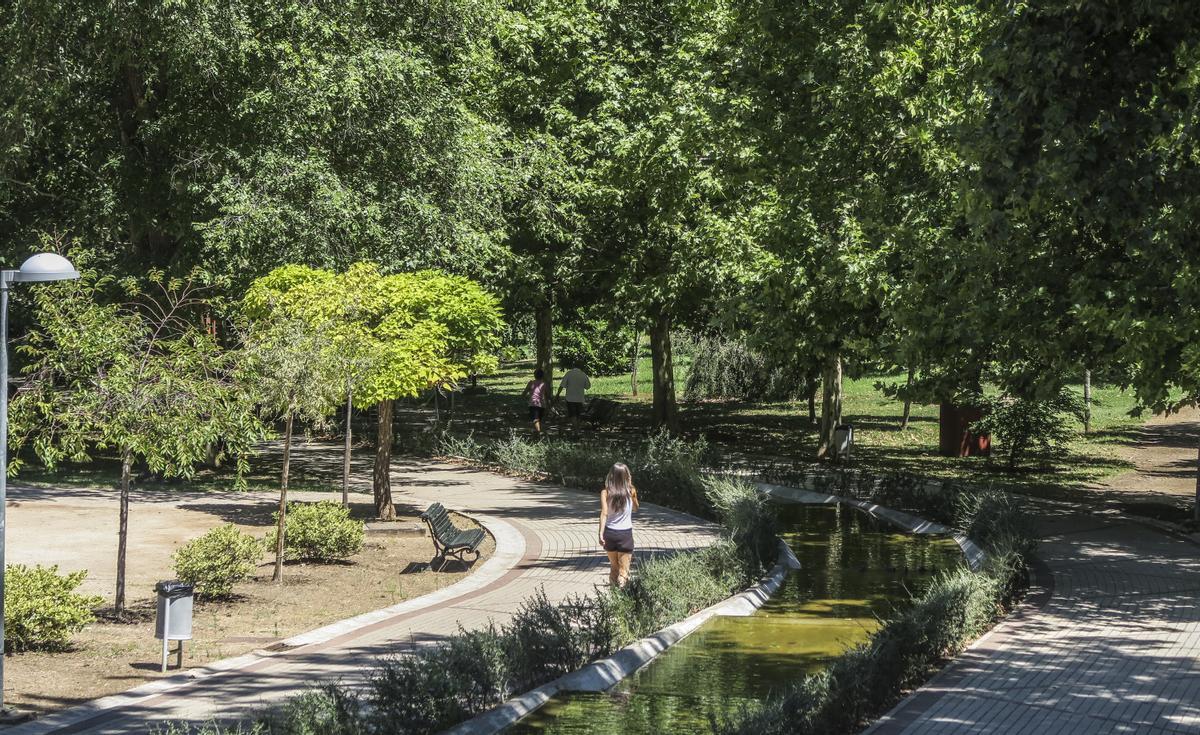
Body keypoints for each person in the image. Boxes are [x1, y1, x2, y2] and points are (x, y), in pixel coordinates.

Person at [598, 462, 639, 587]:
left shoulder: (605, 492)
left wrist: (600, 533)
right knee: (624, 571)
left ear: (611, 475)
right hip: (625, 534)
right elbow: (636, 508)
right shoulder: (631, 491)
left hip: (609, 533)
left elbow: (604, 513)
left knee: (614, 567)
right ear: (627, 476)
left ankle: (613, 596)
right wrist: (631, 490)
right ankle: (622, 595)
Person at [555, 363, 592, 429]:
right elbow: (588, 386)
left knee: (572, 415)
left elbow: (562, 385)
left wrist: (558, 394)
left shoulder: (569, 374)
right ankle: (577, 429)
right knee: (578, 415)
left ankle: (576, 429)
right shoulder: (583, 375)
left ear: (573, 366)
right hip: (580, 398)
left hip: (570, 398)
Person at [521, 368, 551, 434]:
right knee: (539, 419)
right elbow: (548, 395)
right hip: (542, 404)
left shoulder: (531, 383)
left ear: (534, 375)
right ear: (543, 376)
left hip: (533, 403)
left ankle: (538, 432)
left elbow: (524, 393)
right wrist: (550, 401)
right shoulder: (545, 384)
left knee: (535, 419)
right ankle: (538, 432)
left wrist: (526, 398)